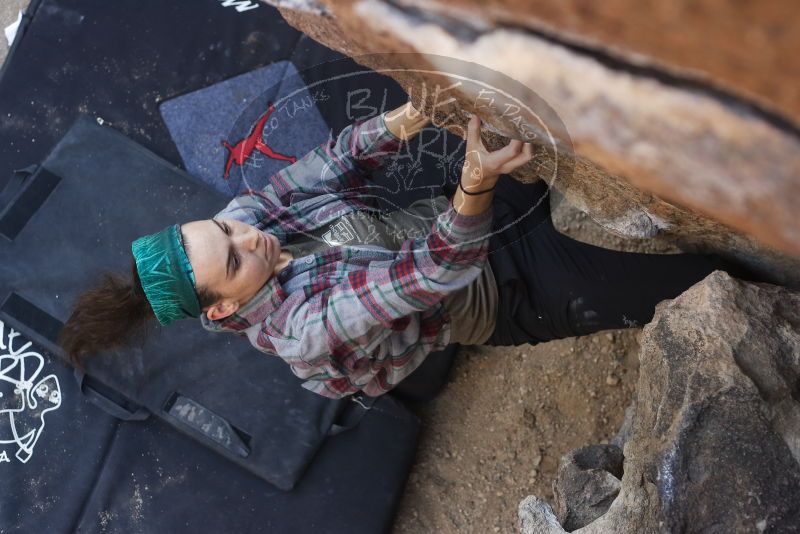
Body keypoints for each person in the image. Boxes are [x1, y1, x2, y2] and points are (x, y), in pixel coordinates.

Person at [57, 101, 747, 399]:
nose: (249, 235)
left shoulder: (243, 224)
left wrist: (416, 111)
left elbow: (331, 164)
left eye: (227, 231)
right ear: (222, 309)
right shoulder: (305, 333)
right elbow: (435, 273)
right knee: (714, 280)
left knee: (599, 147)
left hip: (456, 212)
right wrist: (476, 180)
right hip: (506, 292)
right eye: (235, 259)